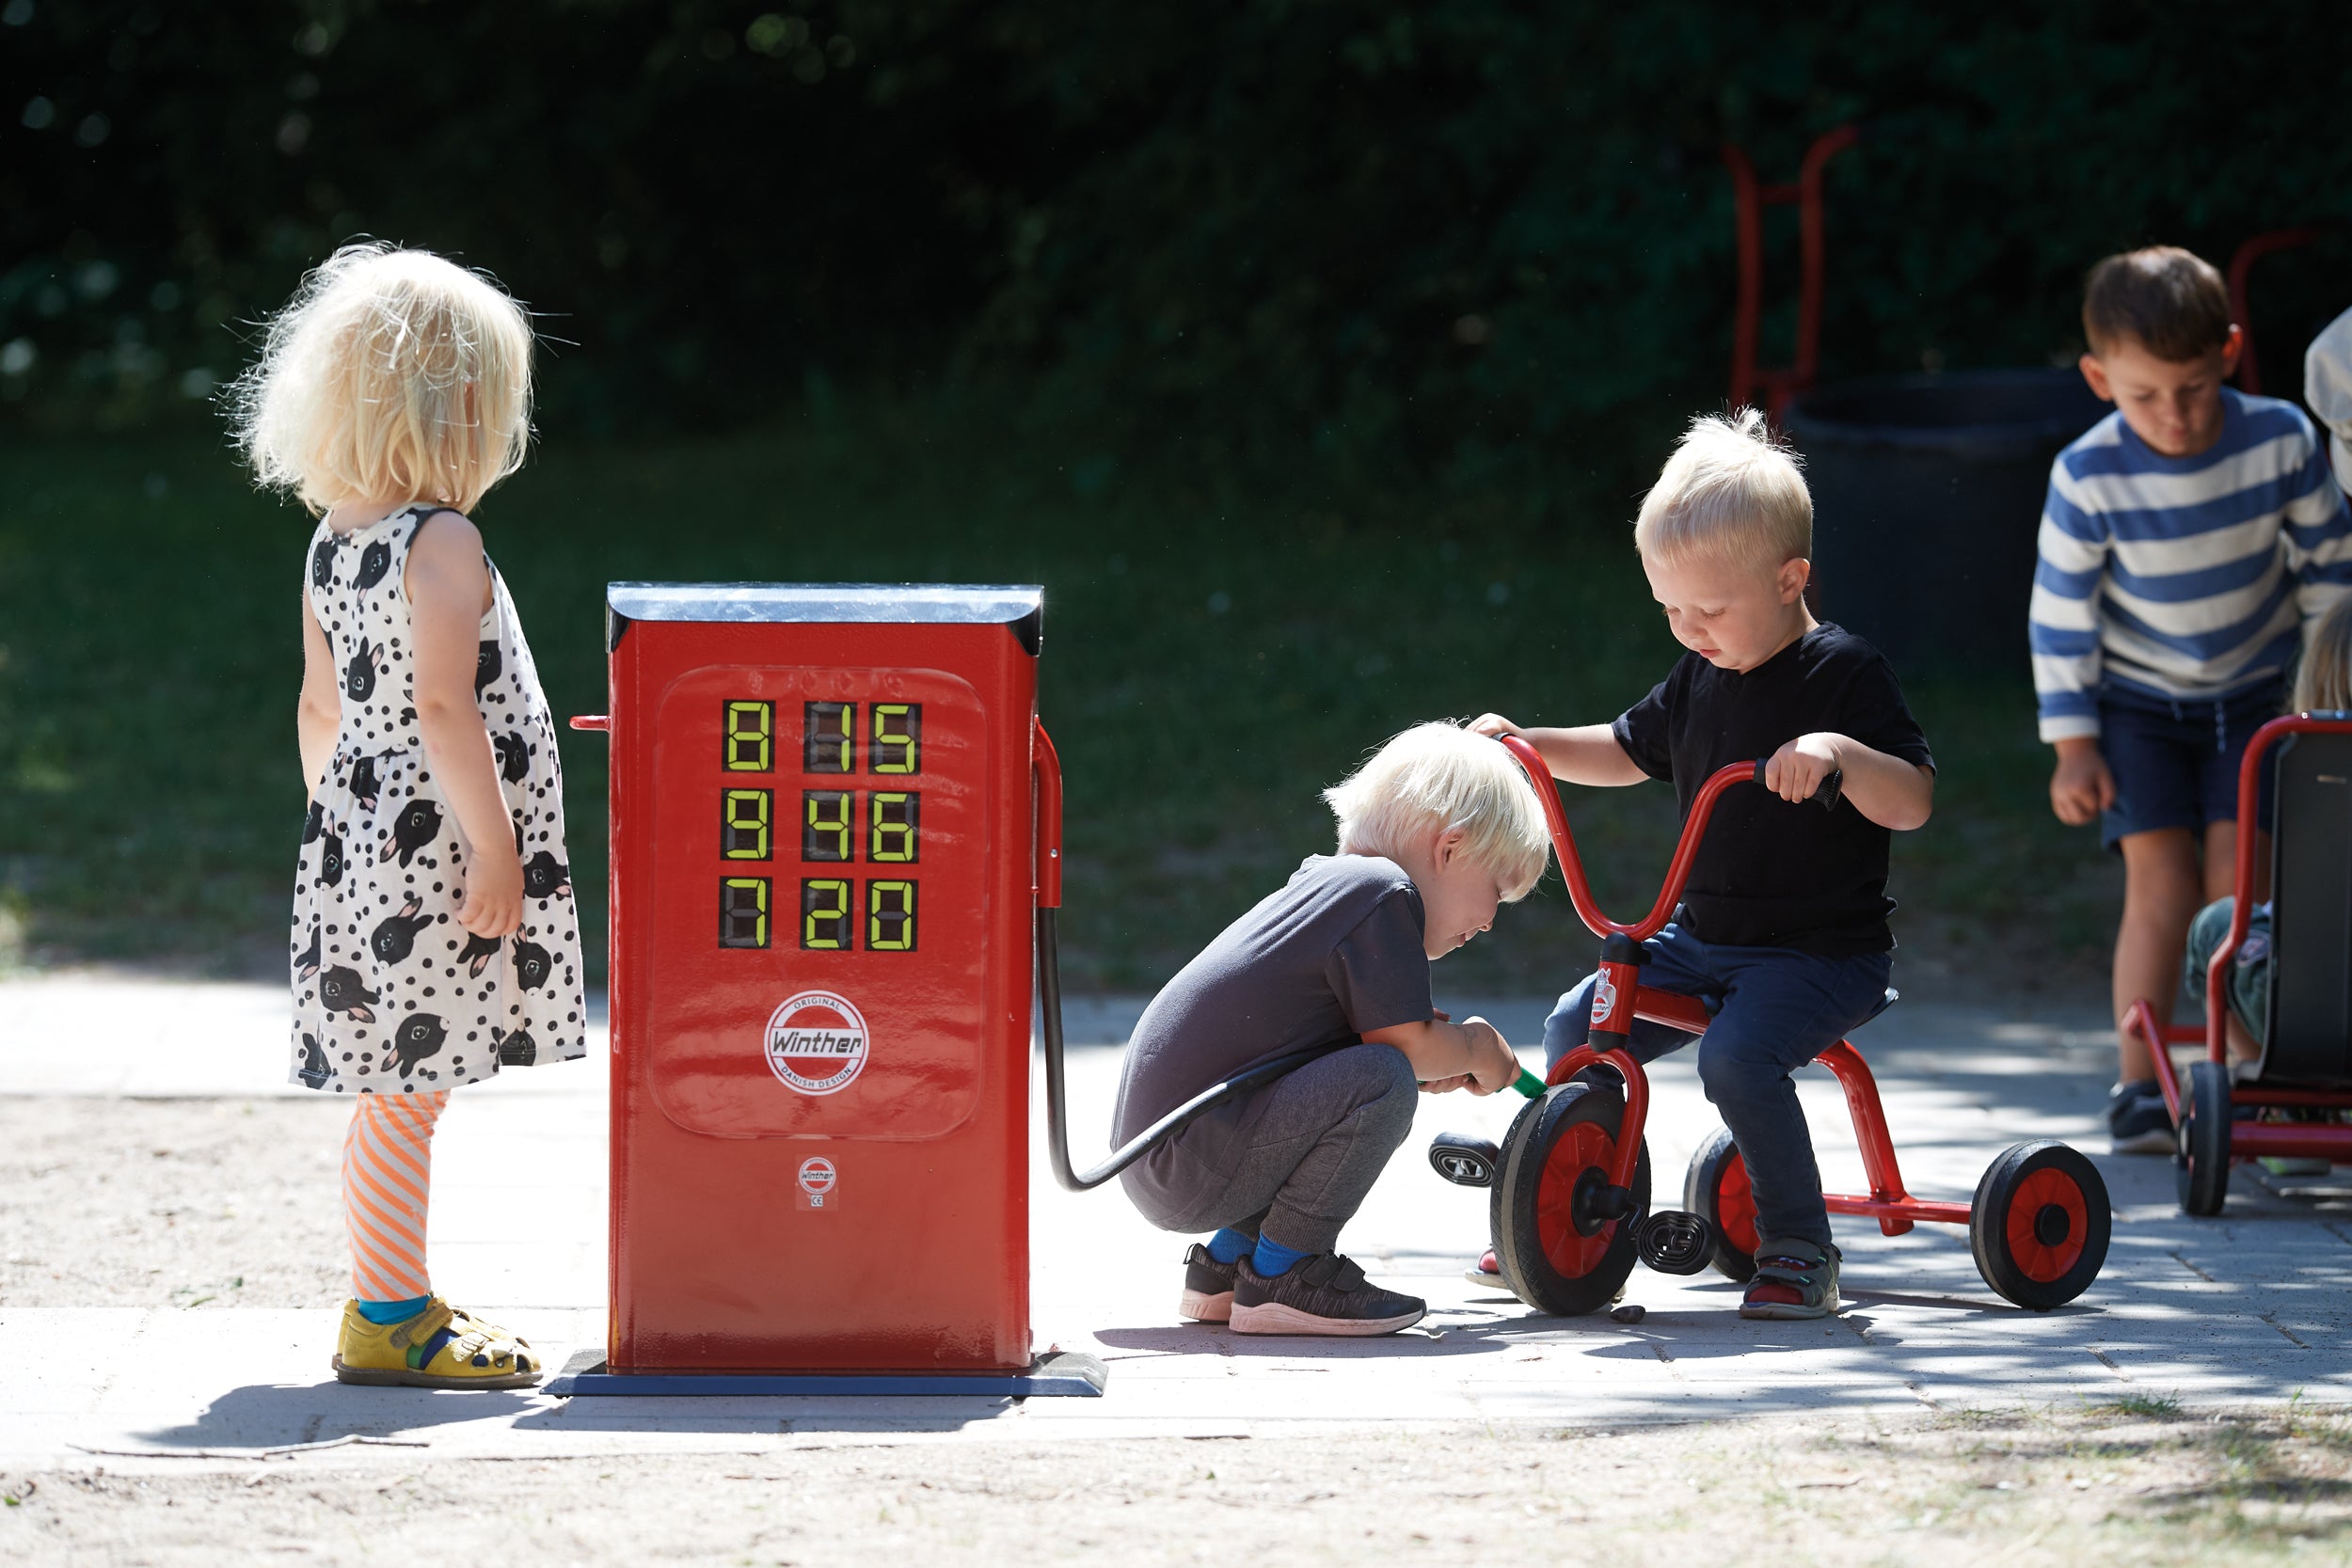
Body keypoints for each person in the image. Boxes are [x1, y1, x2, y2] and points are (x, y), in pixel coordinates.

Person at [1471, 409, 1935, 1321]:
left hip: (1819, 953)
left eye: (1708, 610)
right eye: (1669, 610)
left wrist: (1836, 751)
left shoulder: (1842, 675)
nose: (1688, 629)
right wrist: (1529, 744)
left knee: (1734, 1057)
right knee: (1578, 1024)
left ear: (1788, 576)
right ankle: (1579, 1203)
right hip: (1703, 938)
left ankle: (1801, 1244)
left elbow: (1911, 798)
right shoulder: (1701, 674)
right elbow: (1621, 746)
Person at [231, 244, 586, 1387]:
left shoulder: (335, 538)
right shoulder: (442, 541)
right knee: (409, 1087)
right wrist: (494, 845)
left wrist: (338, 841)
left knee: (399, 1082)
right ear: (464, 408)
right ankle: (388, 1314)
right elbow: (444, 704)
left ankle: (394, 1295)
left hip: (365, 844)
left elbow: (317, 703)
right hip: (434, 853)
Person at [2028, 246, 2352, 1153]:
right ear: (2099, 378)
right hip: (2139, 706)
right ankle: (2139, 1084)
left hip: (2259, 694)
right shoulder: (2088, 475)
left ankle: (2251, 1073)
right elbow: (2062, 619)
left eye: (2194, 389)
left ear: (2229, 354)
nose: (2172, 415)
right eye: (2144, 395)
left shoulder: (2281, 439)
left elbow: (2332, 574)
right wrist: (2075, 745)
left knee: (2239, 885)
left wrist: (2326, 699)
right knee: (2161, 886)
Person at [1112, 722, 1548, 1336]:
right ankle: (1287, 1276)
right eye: (1496, 892)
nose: (1489, 922)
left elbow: (1326, 1058)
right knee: (1386, 1078)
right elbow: (1401, 1054)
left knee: (1382, 1074)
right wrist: (1474, 1046)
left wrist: (1419, 1057)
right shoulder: (1382, 892)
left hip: (1169, 1154)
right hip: (1192, 1158)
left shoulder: (1330, 887)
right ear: (1449, 849)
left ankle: (1229, 1263)